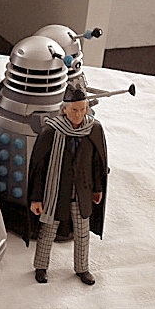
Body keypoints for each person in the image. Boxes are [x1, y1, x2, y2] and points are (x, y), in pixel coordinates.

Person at [25, 87, 108, 285]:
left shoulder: (93, 129)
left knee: (82, 233)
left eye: (83, 109)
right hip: (55, 193)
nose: (79, 114)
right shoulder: (51, 132)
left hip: (82, 193)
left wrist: (97, 188)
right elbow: (39, 167)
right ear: (64, 109)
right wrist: (36, 198)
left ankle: (82, 268)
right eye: (74, 110)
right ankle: (41, 266)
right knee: (48, 232)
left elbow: (98, 163)